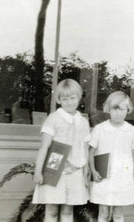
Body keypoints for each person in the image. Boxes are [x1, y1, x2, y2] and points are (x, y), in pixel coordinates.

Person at [32, 79, 90, 222]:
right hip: (55, 168)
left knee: (68, 211)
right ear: (59, 100)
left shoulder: (83, 121)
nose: (69, 102)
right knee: (51, 210)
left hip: (74, 170)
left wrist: (85, 173)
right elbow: (44, 147)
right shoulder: (53, 118)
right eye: (65, 99)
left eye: (72, 98)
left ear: (78, 97)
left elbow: (85, 149)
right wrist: (38, 172)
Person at [88, 91, 134, 222]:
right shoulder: (100, 129)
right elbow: (90, 152)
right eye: (114, 109)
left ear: (128, 110)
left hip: (122, 178)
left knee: (118, 214)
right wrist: (93, 171)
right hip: (104, 178)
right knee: (103, 213)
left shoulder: (131, 130)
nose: (118, 113)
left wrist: (132, 177)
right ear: (108, 109)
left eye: (122, 109)